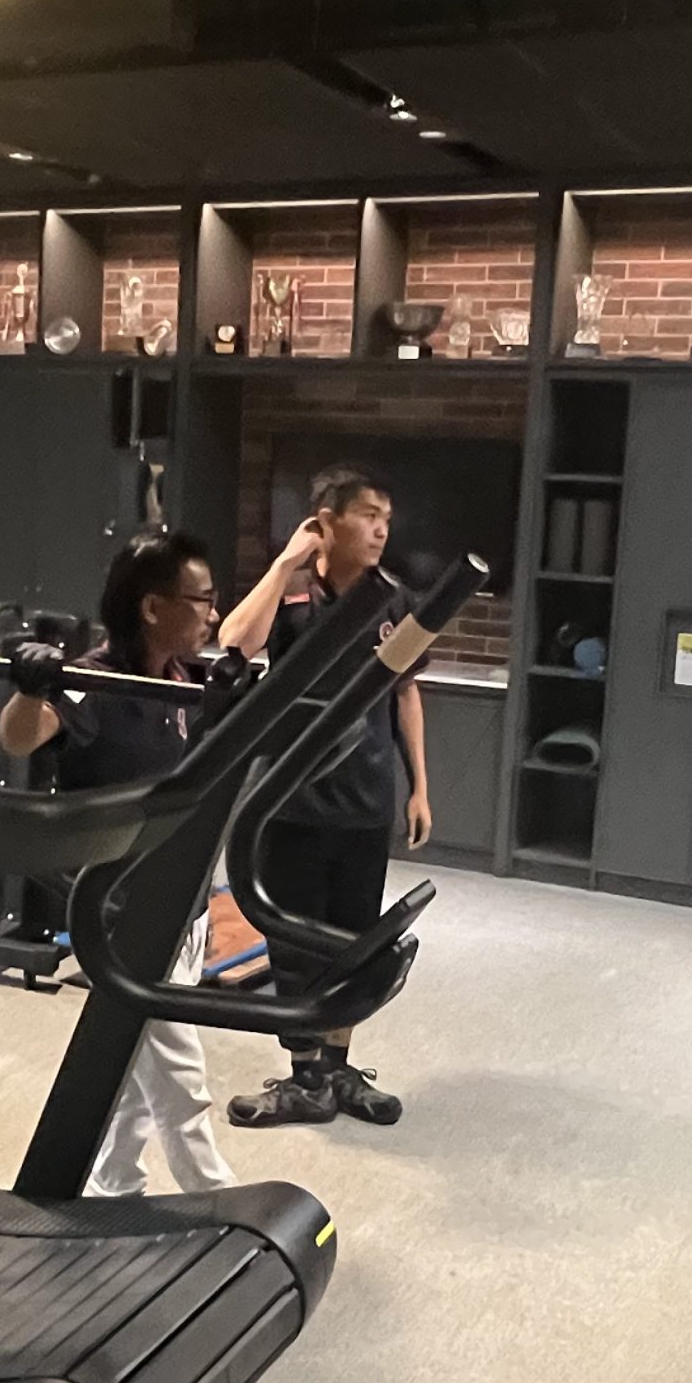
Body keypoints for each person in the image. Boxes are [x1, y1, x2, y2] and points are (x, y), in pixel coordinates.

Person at [0, 529, 236, 1197]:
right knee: (180, 1076)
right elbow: (20, 735)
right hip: (124, 912)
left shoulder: (183, 683)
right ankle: (217, 1203)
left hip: (178, 902)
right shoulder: (94, 681)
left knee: (134, 1060)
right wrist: (28, 685)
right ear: (154, 608)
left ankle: (111, 1186)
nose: (212, 614)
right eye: (202, 600)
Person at [214, 463, 430, 1129]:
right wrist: (284, 564)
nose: (379, 531)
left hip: (365, 798)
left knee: (354, 940)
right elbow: (233, 643)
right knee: (295, 942)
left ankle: (337, 1070)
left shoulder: (392, 600)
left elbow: (405, 690)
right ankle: (303, 1074)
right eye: (368, 516)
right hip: (293, 801)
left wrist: (420, 785)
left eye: (386, 522)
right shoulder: (292, 597)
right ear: (326, 522)